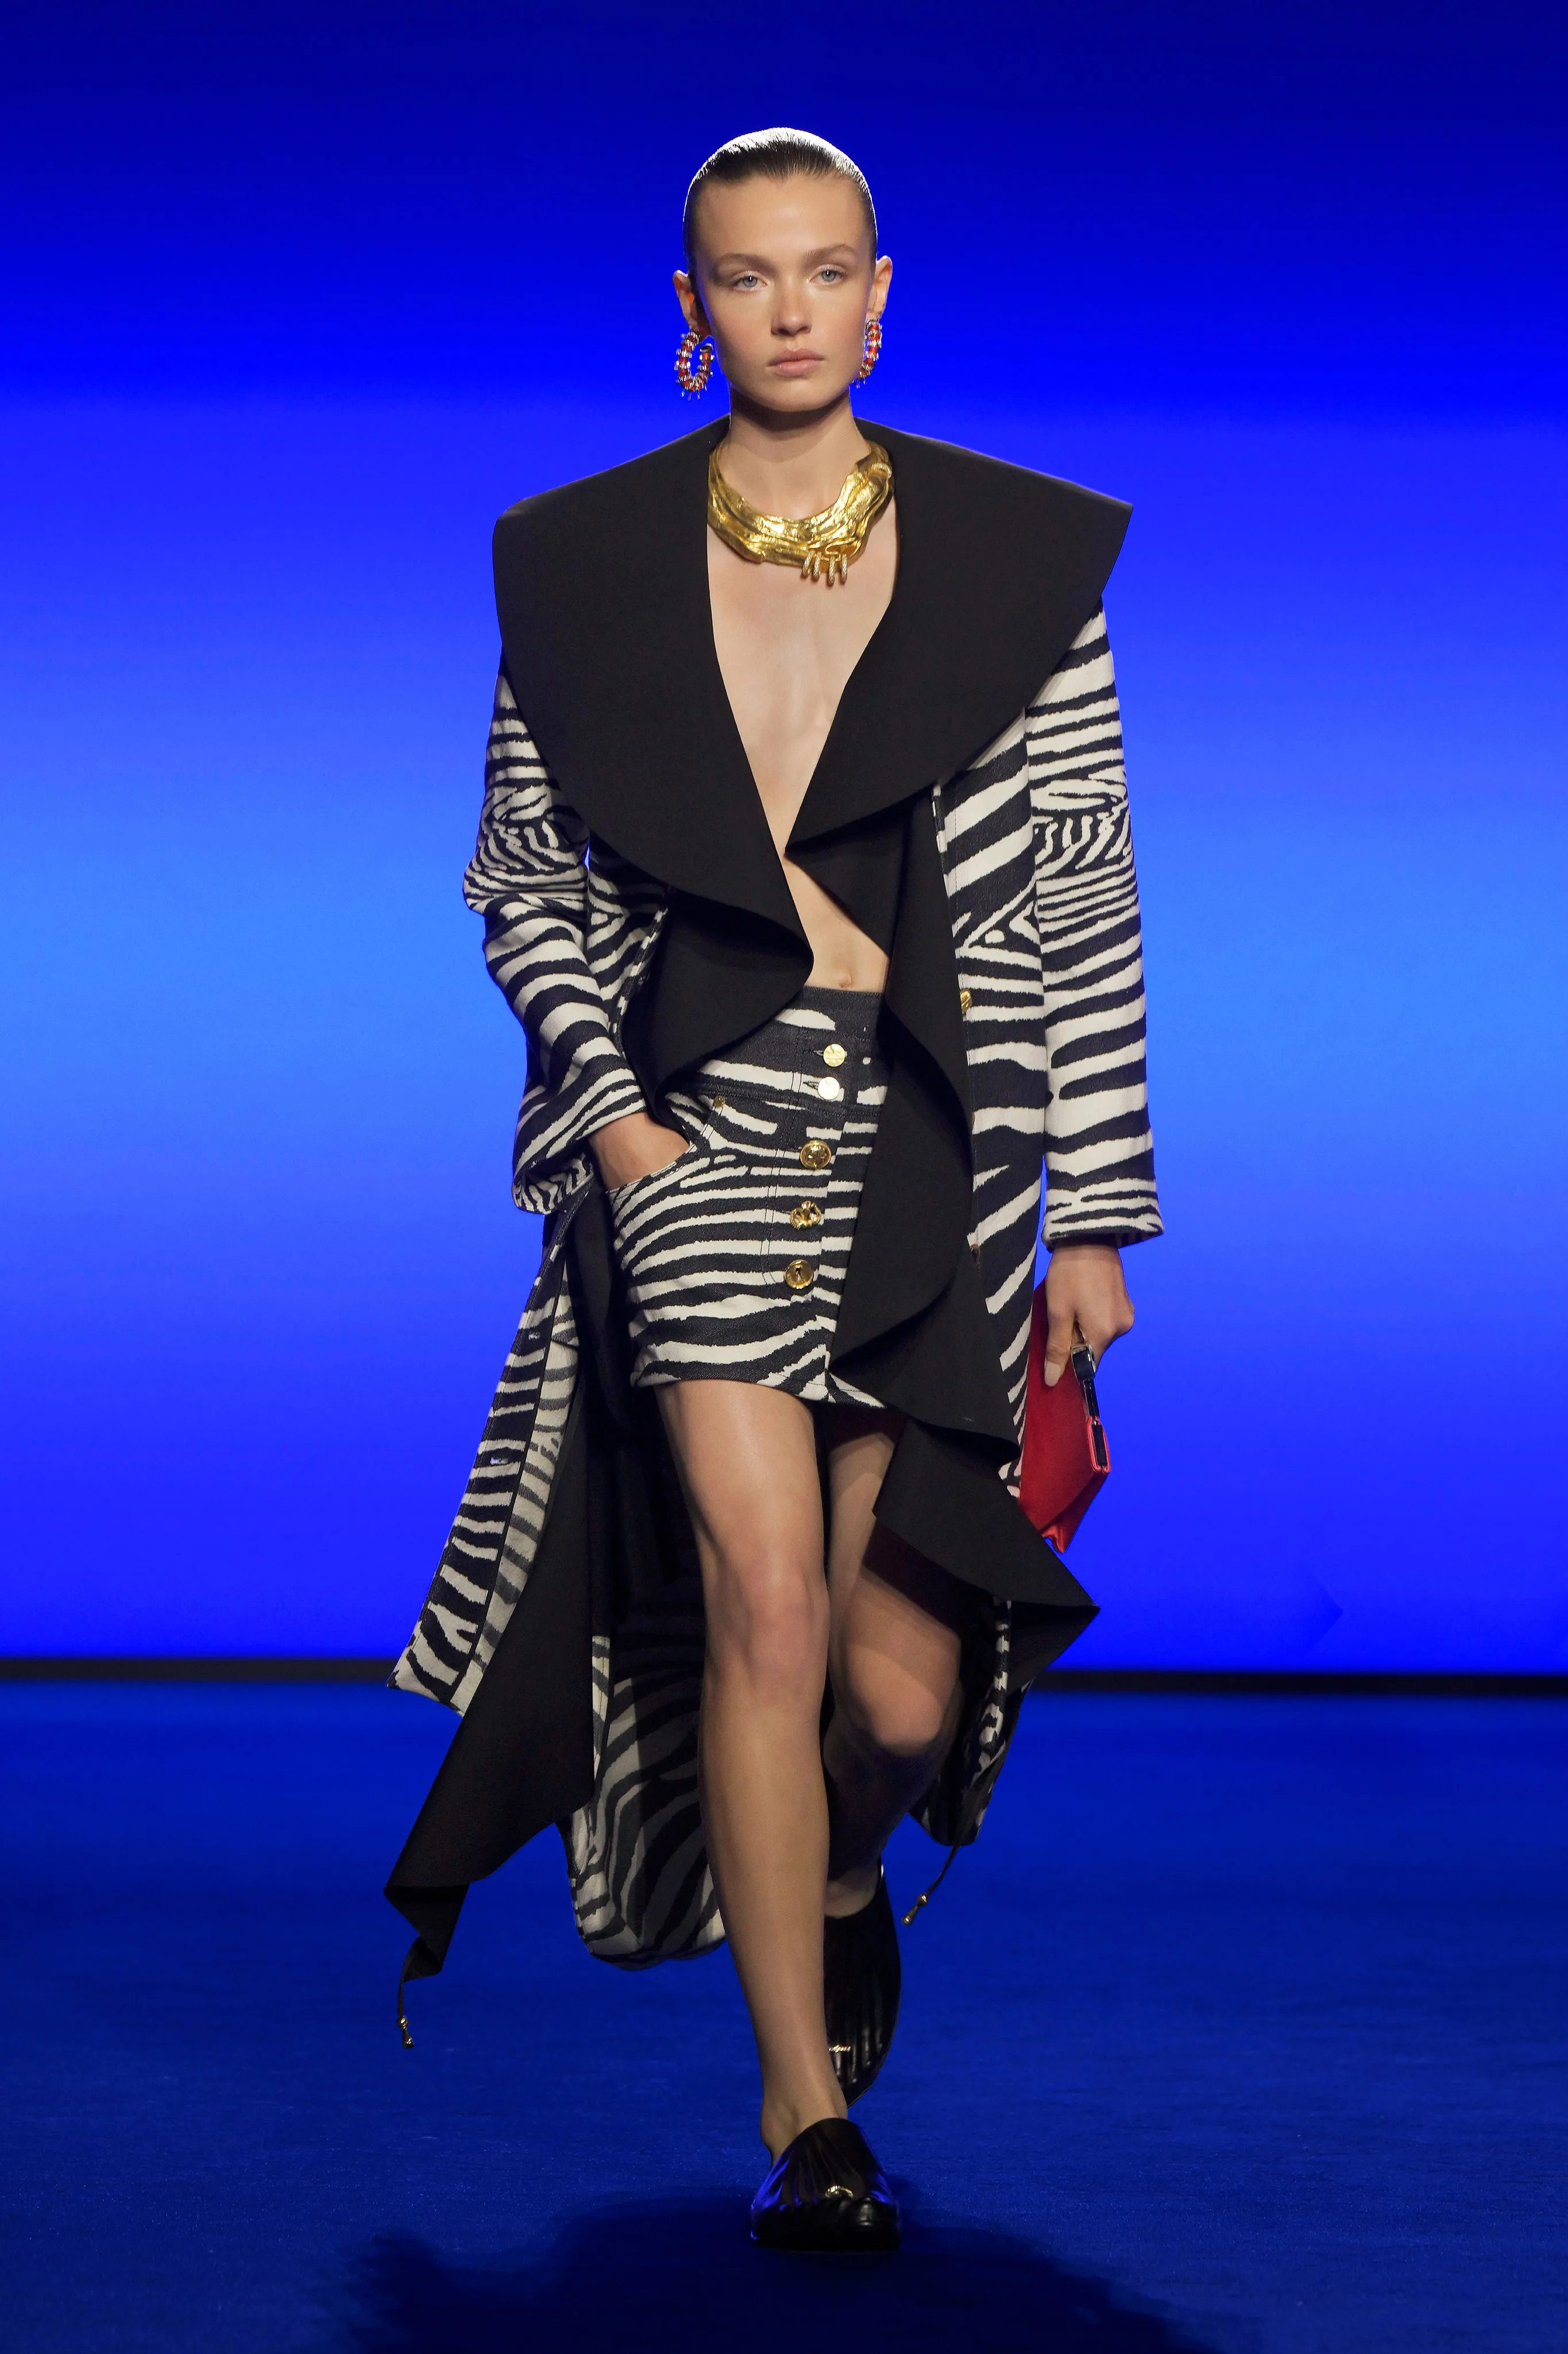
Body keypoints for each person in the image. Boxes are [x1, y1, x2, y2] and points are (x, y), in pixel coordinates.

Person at [385, 128, 1161, 2253]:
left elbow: (1081, 888)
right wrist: (615, 1119)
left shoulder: (1014, 562)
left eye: (827, 271)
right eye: (749, 275)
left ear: (881, 295)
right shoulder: (578, 564)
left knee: (893, 1696)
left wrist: (1095, 1204)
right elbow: (523, 874)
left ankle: (835, 1875)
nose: (792, 308)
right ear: (692, 310)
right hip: (702, 1119)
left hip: (933, 1135)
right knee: (762, 1596)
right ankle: (806, 2112)